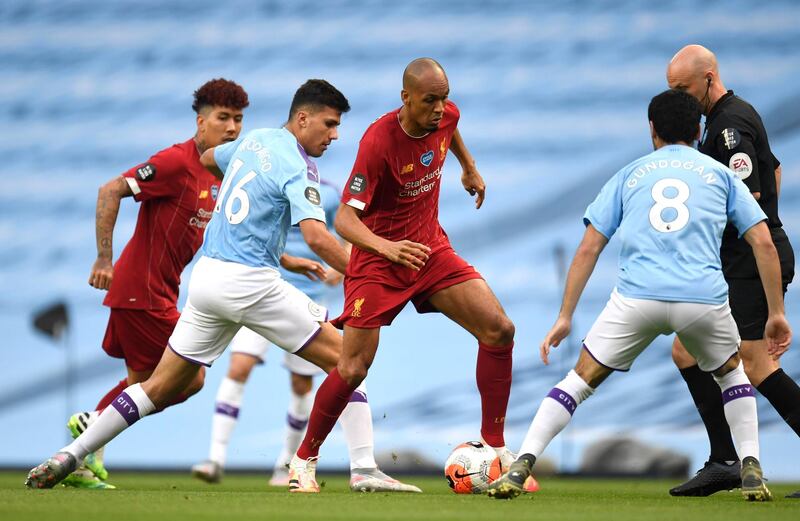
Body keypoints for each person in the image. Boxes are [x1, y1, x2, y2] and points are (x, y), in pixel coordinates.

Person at [25, 79, 416, 494]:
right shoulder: (300, 166)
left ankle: (68, 455)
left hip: (208, 279)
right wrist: (367, 275)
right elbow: (319, 237)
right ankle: (362, 469)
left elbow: (211, 157)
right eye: (329, 124)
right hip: (250, 282)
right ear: (303, 119)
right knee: (348, 360)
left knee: (157, 387)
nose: (335, 135)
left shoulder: (255, 141)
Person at [487, 89, 790, 501]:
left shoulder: (630, 173)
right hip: (701, 298)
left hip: (637, 298)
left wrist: (564, 317)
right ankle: (751, 466)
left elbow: (589, 248)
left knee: (578, 380)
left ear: (652, 130)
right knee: (732, 373)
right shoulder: (719, 175)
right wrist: (776, 312)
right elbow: (763, 243)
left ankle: (522, 463)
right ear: (699, 130)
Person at [286, 58, 529, 494]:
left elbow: (449, 131)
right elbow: (343, 219)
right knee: (353, 367)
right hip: (379, 260)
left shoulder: (446, 115)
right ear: (406, 98)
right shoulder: (378, 141)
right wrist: (385, 248)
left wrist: (468, 166)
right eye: (429, 100)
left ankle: (494, 451)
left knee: (499, 330)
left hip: (428, 250)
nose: (439, 108)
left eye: (444, 98)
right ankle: (303, 461)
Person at [62, 78, 250, 489]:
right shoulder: (175, 162)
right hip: (139, 292)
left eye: (238, 119)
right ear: (201, 122)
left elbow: (230, 234)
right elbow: (110, 189)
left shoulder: (220, 175)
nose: (233, 128)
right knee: (189, 376)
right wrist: (104, 258)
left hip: (158, 293)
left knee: (141, 383)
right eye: (223, 118)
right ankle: (93, 426)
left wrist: (286, 260)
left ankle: (81, 460)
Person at [190, 185, 415, 492]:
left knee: (304, 384)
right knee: (238, 367)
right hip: (259, 289)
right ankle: (215, 459)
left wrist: (344, 262)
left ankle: (285, 463)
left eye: (331, 132)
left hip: (305, 297)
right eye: (328, 132)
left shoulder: (330, 195)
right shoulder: (274, 186)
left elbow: (352, 232)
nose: (330, 137)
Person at [665, 44, 800, 499]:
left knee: (757, 365)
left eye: (683, 90)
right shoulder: (729, 117)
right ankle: (724, 459)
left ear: (709, 77)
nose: (679, 100)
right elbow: (775, 172)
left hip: (750, 262)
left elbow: (753, 199)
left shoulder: (728, 127)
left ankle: (726, 460)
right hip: (740, 261)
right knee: (687, 352)